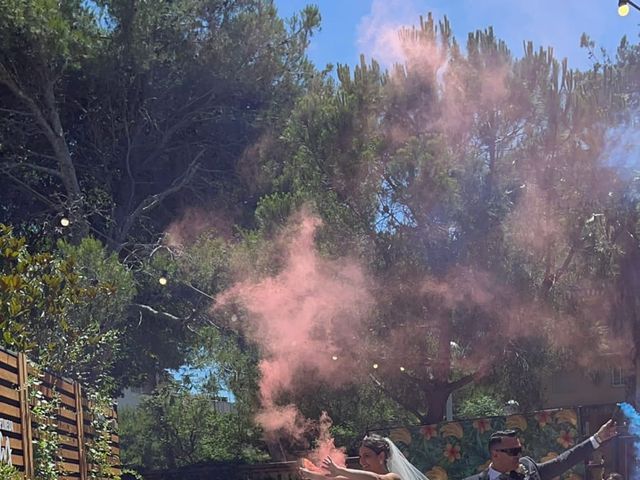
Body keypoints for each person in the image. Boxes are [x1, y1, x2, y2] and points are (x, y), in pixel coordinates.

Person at [463, 419, 618, 480]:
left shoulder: (528, 466)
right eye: (512, 451)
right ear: (495, 454)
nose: (518, 455)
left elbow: (563, 462)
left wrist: (597, 439)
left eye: (519, 449)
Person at [299, 434, 429, 480]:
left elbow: (377, 479)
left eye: (367, 456)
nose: (362, 461)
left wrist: (340, 470)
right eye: (360, 456)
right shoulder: (360, 478)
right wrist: (309, 474)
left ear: (381, 456)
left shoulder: (394, 477)